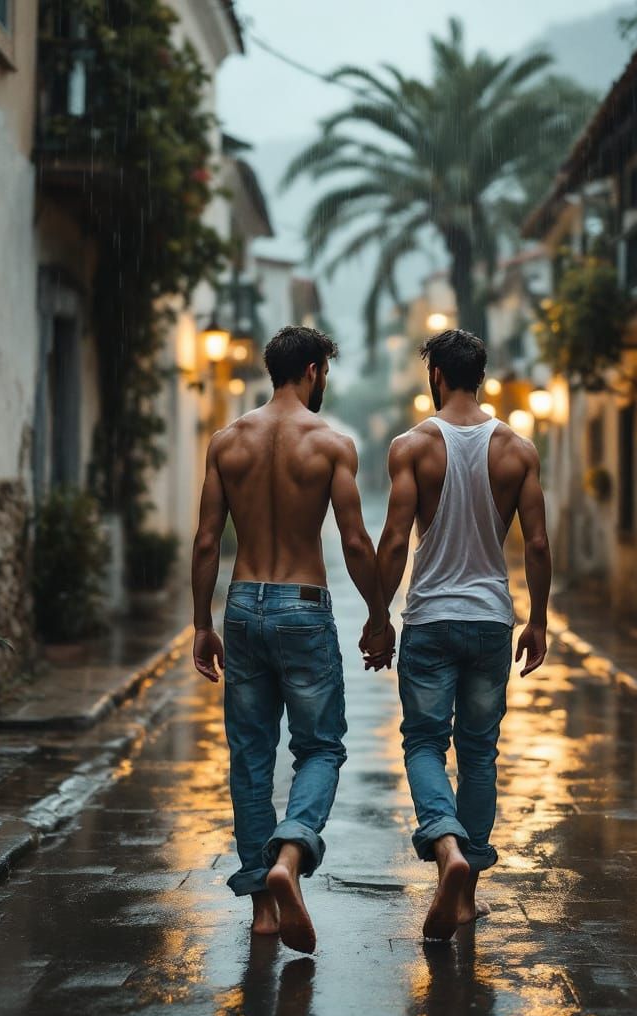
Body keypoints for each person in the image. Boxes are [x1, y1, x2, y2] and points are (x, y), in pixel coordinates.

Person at [191, 325, 394, 955]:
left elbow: (204, 542)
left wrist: (203, 622)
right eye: (324, 372)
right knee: (321, 748)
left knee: (250, 756)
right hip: (304, 605)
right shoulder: (330, 443)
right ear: (311, 370)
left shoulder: (228, 442)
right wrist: (379, 613)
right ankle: (291, 850)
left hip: (245, 602)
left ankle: (263, 909)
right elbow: (356, 541)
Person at [373, 328, 551, 941]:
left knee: (424, 744)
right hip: (490, 620)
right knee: (479, 753)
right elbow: (539, 544)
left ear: (437, 377)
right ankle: (466, 885)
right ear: (481, 376)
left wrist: (377, 615)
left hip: (430, 618)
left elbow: (395, 540)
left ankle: (446, 848)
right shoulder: (517, 450)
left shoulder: (413, 445)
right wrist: (540, 619)